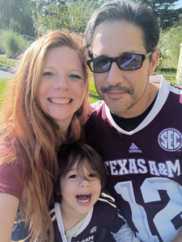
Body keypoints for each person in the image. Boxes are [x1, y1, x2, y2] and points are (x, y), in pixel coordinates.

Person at [84, 1, 182, 242]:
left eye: (129, 60)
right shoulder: (89, 126)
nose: (113, 78)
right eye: (101, 62)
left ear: (153, 61)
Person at [0, 30, 89, 242]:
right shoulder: (14, 147)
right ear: (28, 81)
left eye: (74, 75)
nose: (62, 85)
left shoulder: (87, 126)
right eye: (48, 73)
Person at [51, 142, 140, 242]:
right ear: (57, 187)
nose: (85, 182)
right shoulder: (45, 221)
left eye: (92, 175)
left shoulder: (104, 207)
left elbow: (123, 231)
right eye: (73, 176)